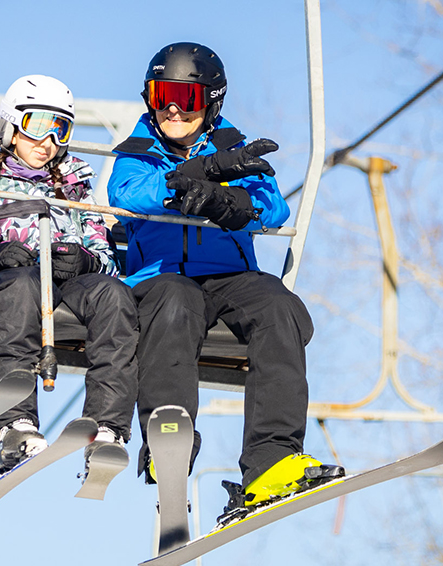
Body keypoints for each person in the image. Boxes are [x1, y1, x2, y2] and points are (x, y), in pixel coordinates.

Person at [107, 42, 342, 516]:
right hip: (162, 276)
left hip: (230, 275)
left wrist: (234, 204)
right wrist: (191, 178)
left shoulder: (234, 149)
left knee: (279, 306)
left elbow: (274, 207)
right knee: (176, 303)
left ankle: (272, 460)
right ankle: (169, 436)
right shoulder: (140, 151)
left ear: (211, 102)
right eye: (162, 96)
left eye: (187, 98)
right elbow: (127, 192)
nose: (173, 110)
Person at [0, 75, 138, 481]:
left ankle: (107, 426)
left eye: (59, 129)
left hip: (67, 280)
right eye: (36, 125)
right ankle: (15, 421)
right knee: (23, 287)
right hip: (15, 277)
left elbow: (105, 256)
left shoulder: (75, 186)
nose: (47, 140)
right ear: (12, 127)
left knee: (114, 295)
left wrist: (85, 261)